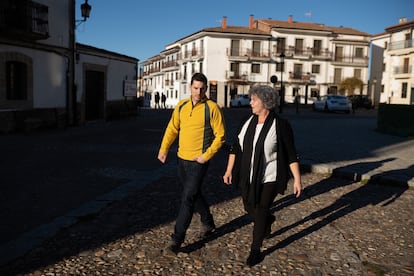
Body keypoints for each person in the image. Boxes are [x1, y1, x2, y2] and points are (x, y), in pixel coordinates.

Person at [222, 85, 302, 266]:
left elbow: (291, 153)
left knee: (261, 209)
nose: (250, 102)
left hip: (270, 177)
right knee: (249, 207)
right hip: (247, 175)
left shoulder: (280, 125)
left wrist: (297, 179)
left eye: (254, 99)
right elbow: (235, 147)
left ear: (265, 102)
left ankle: (255, 251)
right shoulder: (247, 121)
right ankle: (268, 219)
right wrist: (228, 170)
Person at [158, 73, 226, 256]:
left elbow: (220, 136)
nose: (199, 92)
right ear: (190, 87)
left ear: (206, 89)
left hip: (199, 161)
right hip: (182, 159)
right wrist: (164, 149)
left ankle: (176, 239)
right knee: (194, 194)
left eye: (202, 88)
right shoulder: (181, 105)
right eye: (196, 88)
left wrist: (206, 155)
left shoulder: (212, 108)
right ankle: (208, 221)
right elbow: (172, 128)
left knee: (187, 198)